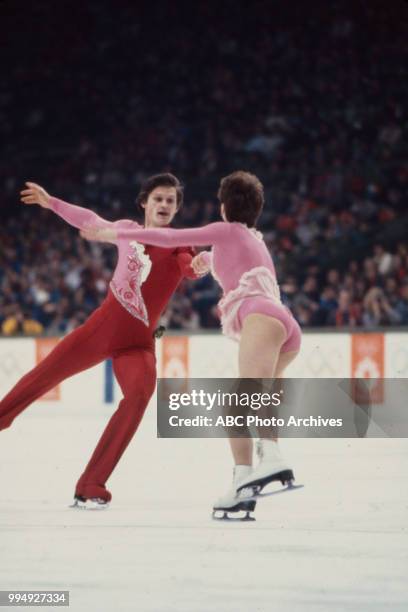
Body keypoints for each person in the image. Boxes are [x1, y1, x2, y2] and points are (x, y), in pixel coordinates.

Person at [81, 171, 302, 517]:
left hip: (261, 317)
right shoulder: (252, 238)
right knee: (254, 399)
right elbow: (225, 261)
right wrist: (205, 260)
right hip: (286, 327)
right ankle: (242, 485)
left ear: (226, 207)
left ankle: (271, 459)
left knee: (242, 402)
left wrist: (115, 232)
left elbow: (171, 237)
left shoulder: (226, 230)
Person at [0, 173, 200, 509]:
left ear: (176, 209)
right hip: (102, 330)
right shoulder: (127, 231)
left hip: (138, 344)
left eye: (171, 200)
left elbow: (190, 268)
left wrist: (204, 263)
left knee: (140, 393)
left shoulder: (181, 244)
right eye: (159, 198)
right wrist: (52, 203)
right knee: (42, 377)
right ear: (145, 203)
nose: (164, 204)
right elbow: (90, 220)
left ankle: (91, 484)